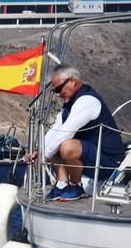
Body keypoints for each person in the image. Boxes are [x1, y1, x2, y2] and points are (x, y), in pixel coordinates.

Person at [26, 64, 125, 202]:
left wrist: (44, 157)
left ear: (72, 81)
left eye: (59, 89)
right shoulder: (69, 105)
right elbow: (56, 131)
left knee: (67, 145)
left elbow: (65, 133)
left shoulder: (87, 101)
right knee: (55, 144)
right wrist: (39, 151)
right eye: (55, 91)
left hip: (109, 163)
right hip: (91, 158)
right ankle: (61, 185)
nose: (58, 94)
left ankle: (76, 186)